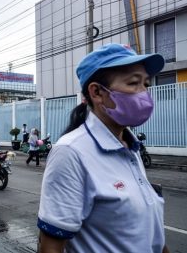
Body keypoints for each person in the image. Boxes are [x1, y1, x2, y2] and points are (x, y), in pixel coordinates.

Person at [37, 43, 170, 253]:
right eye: (134, 83)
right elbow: (50, 247)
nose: (144, 93)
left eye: (146, 84)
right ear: (97, 92)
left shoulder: (130, 147)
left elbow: (150, 234)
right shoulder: (71, 152)